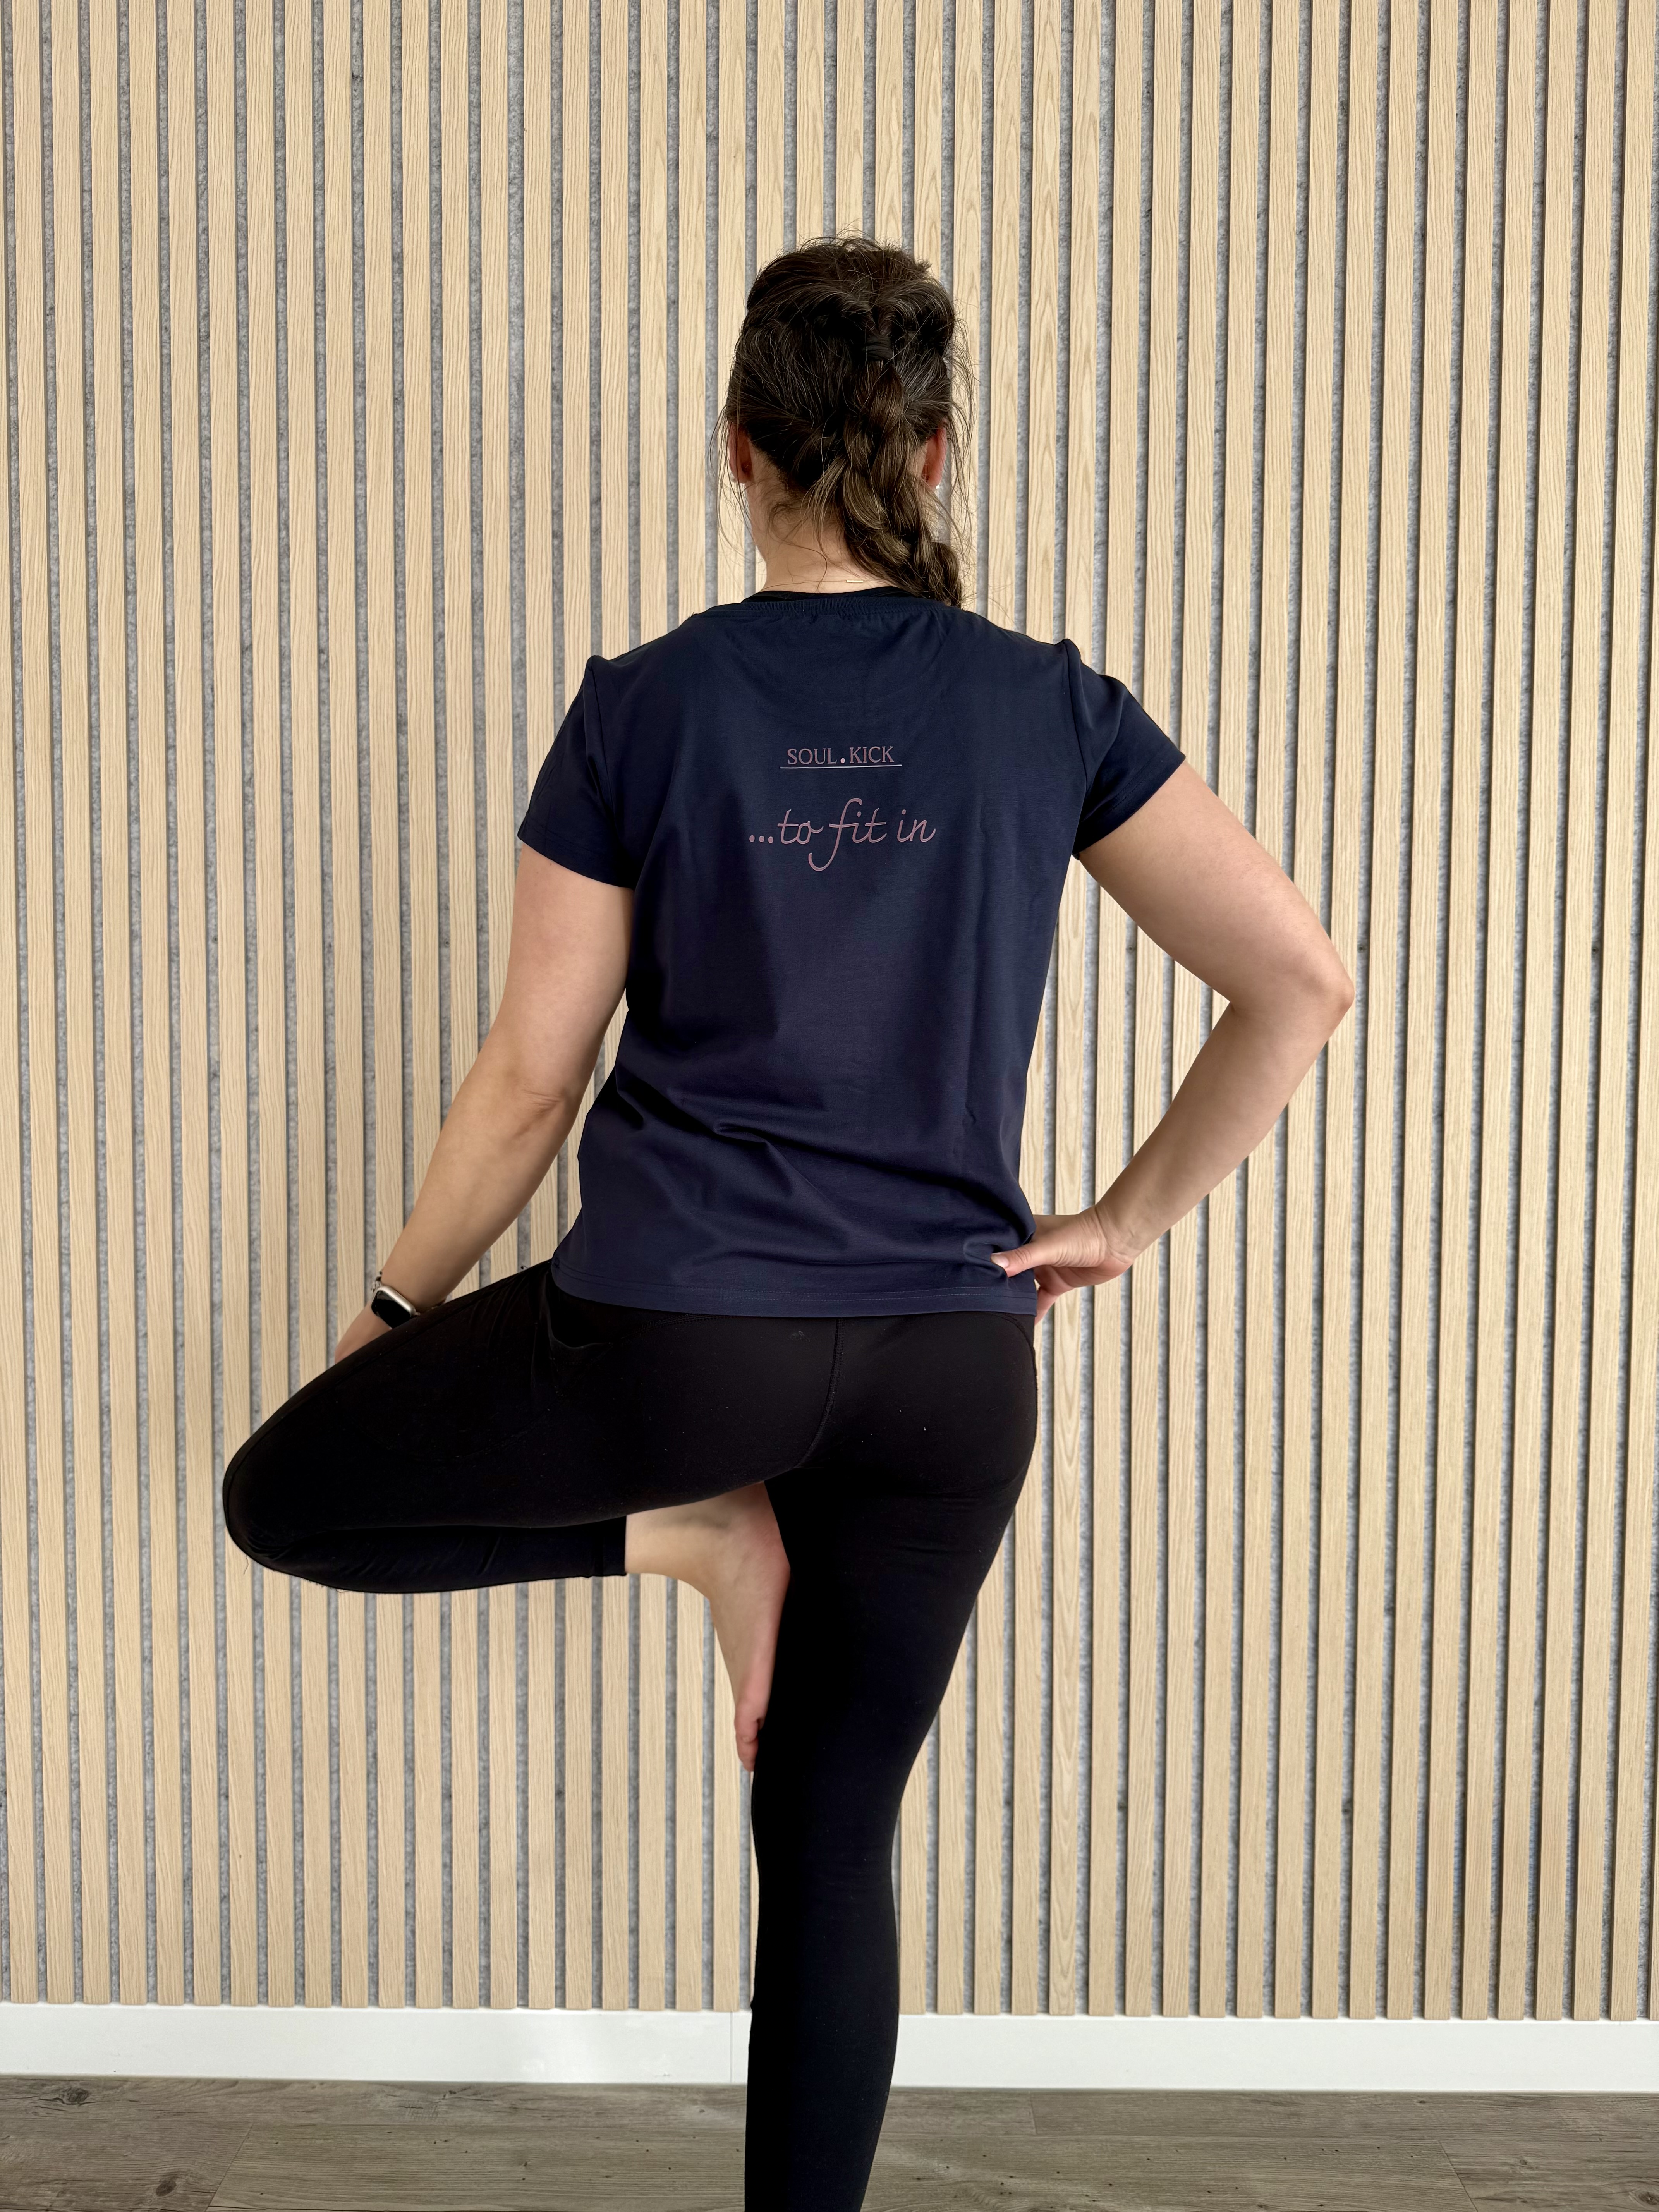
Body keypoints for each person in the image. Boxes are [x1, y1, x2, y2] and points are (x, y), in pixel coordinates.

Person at [221, 235, 1353, 2210]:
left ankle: (689, 1534)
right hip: (952, 1367)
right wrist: (1122, 1221)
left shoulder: (644, 707)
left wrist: (399, 1310)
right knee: (832, 1849)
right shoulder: (1051, 706)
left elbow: (531, 1079)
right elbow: (1301, 983)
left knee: (283, 1495)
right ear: (934, 452)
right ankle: (711, 1548)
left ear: (736, 446)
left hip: (683, 1347)